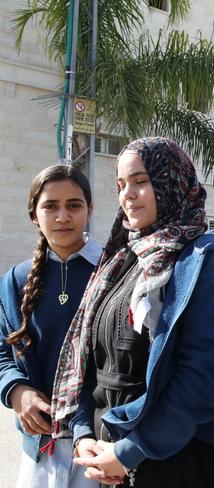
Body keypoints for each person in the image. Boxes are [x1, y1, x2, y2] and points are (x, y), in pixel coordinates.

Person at [49, 137, 214, 487]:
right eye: (121, 185)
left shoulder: (207, 265)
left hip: (182, 463)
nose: (128, 194)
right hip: (111, 457)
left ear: (171, 181)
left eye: (140, 181)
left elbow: (203, 382)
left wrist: (129, 452)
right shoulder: (121, 260)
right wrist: (83, 434)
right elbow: (90, 359)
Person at [0, 165, 101, 488]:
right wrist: (17, 390)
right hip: (40, 448)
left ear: (89, 210)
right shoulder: (15, 281)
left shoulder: (113, 271)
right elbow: (2, 351)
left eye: (74, 205)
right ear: (34, 215)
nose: (62, 216)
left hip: (98, 445)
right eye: (50, 206)